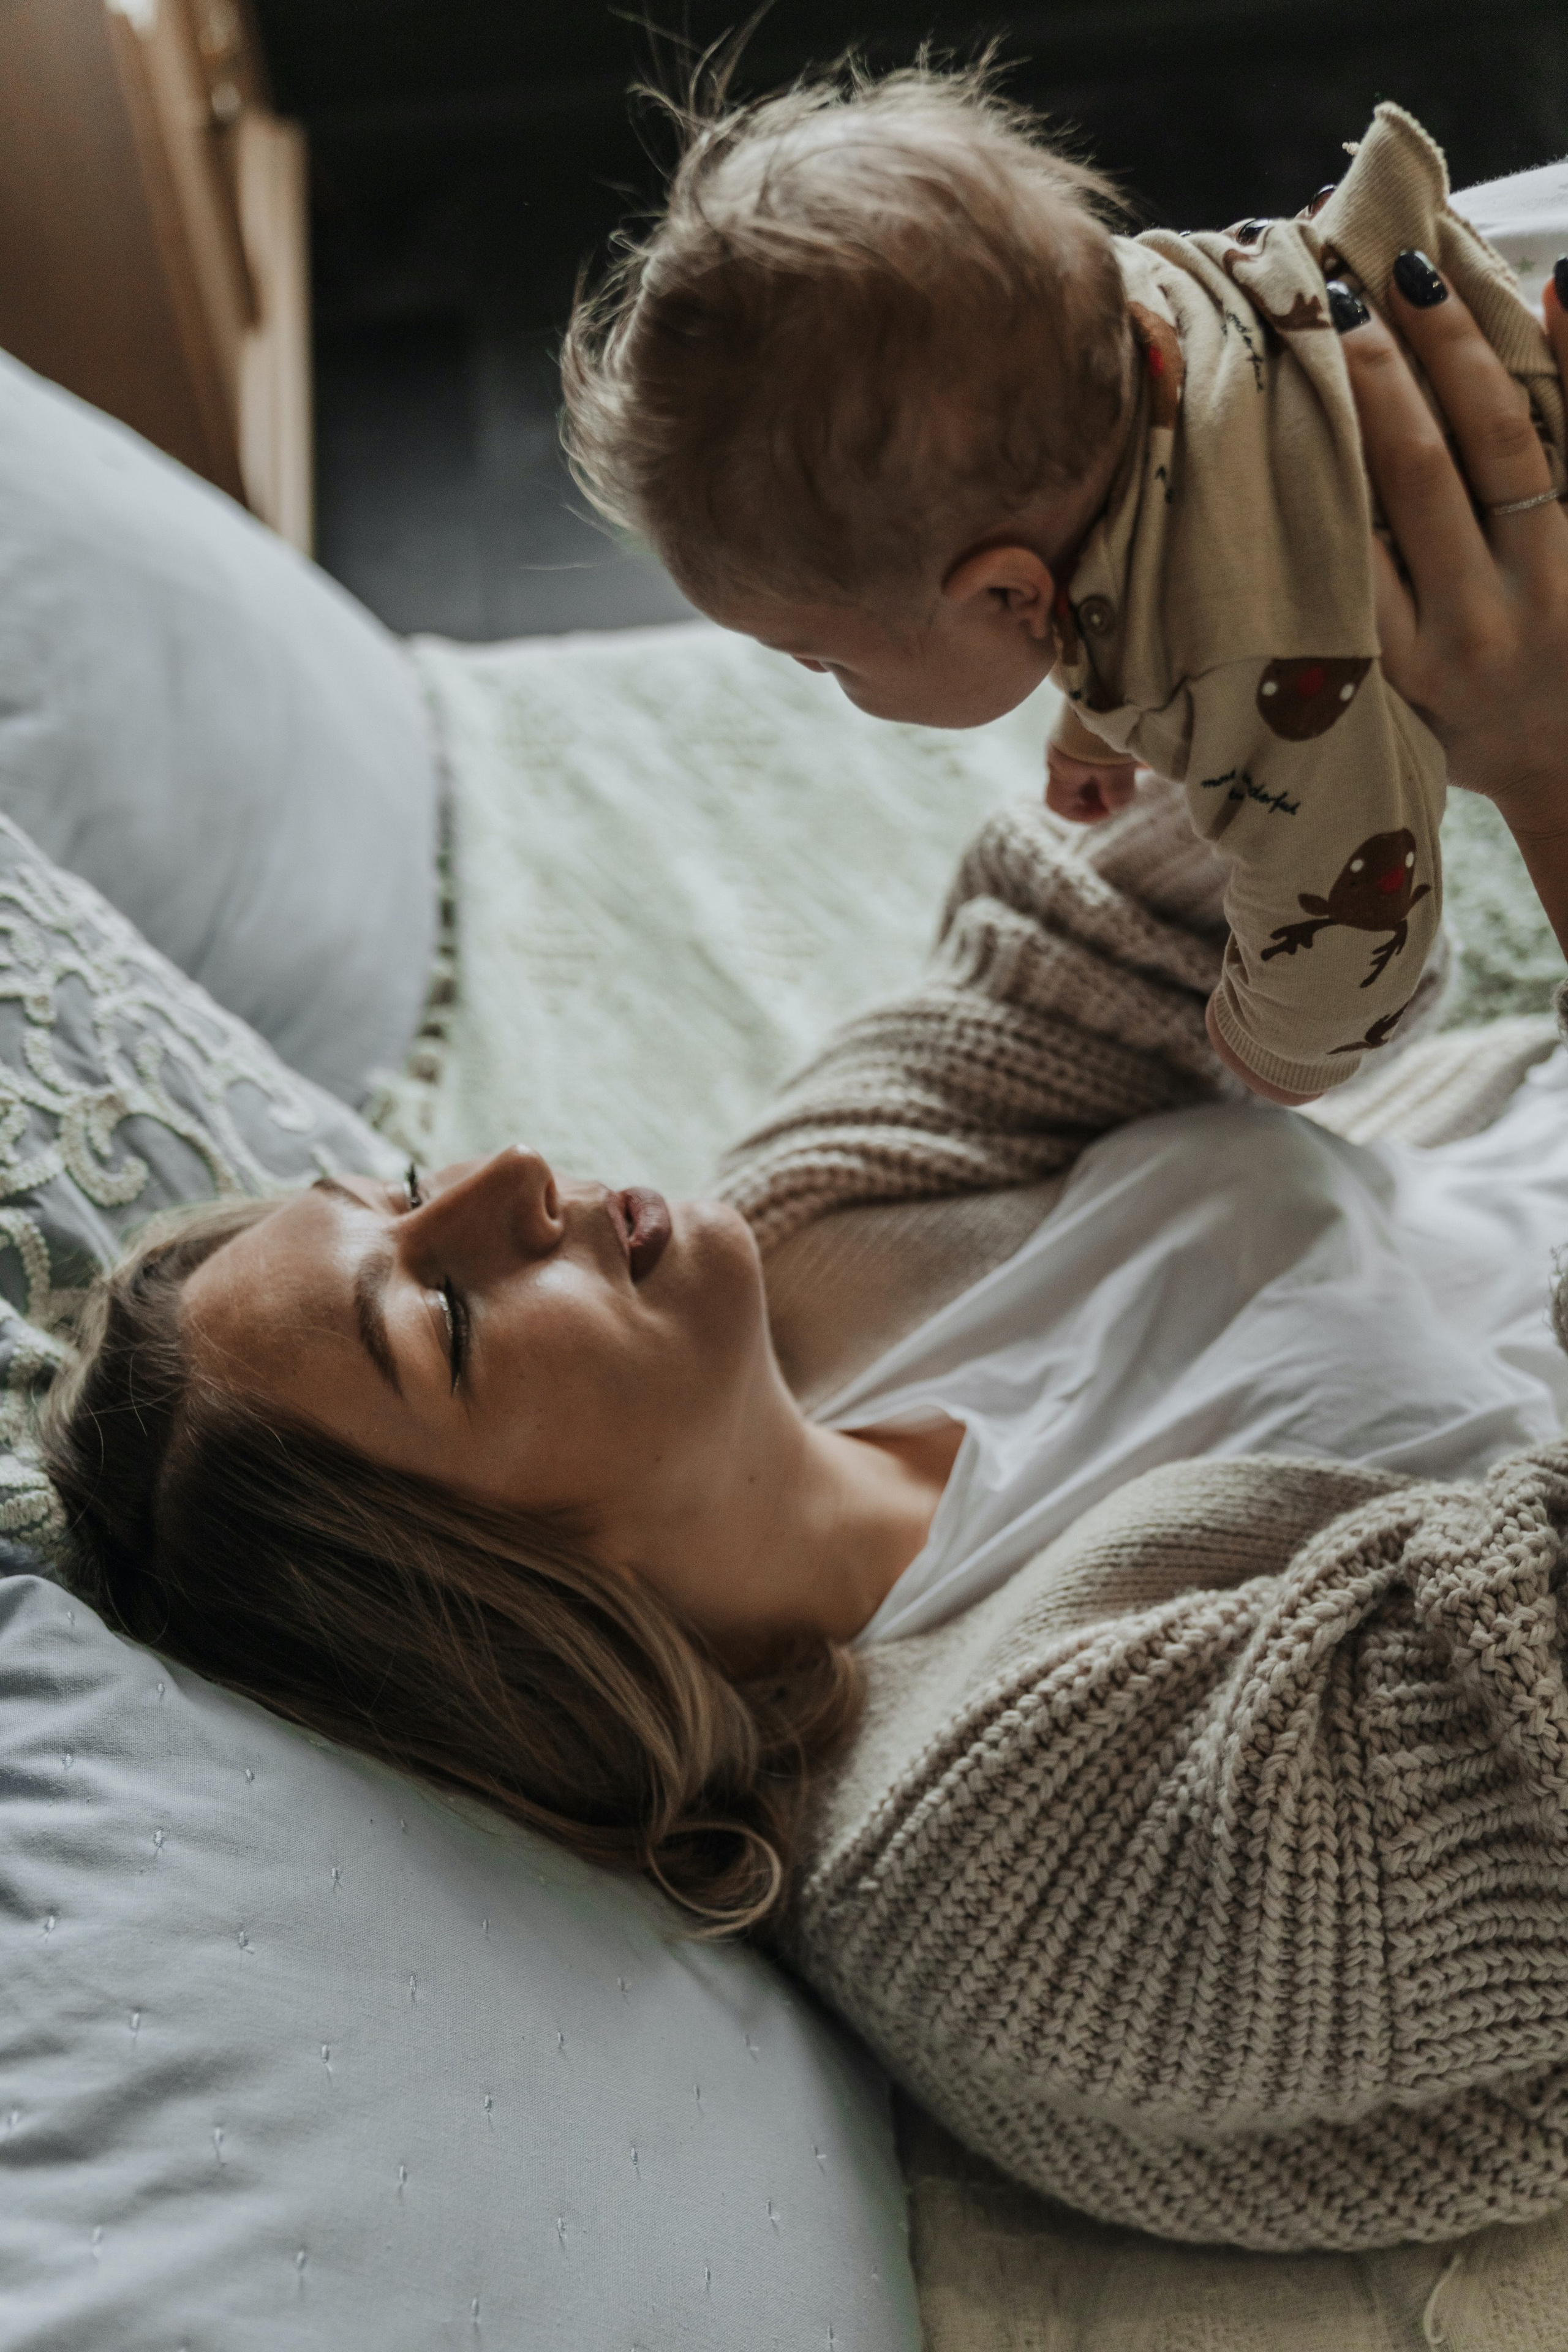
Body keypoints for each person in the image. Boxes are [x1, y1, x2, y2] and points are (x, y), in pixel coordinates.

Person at [38, 257, 1568, 1953]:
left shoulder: (807, 1239)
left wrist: (1220, 575)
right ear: (502, 1612)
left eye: (402, 1195)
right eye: (441, 1318)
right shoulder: (1007, 1823)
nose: (510, 1182)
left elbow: (1104, 933)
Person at [560, 66, 1566, 1107]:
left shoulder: (1239, 658)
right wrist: (1097, 721)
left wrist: (1280, 1045)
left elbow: (1357, 876)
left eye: (823, 658)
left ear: (1005, 595)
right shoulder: (1139, 318)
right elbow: (1162, 516)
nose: (828, 681)